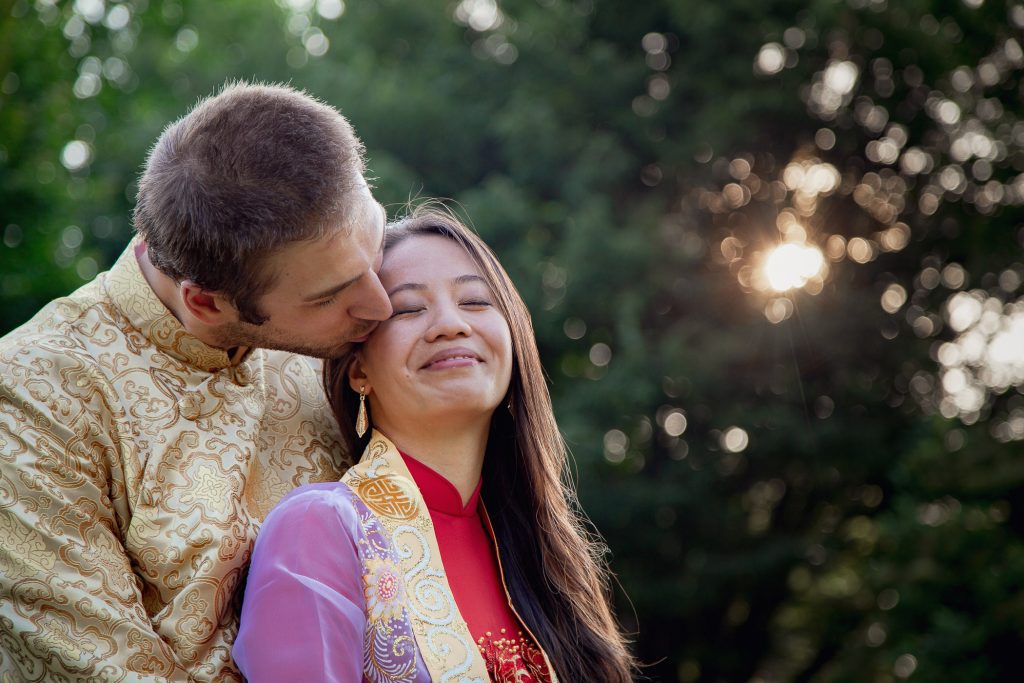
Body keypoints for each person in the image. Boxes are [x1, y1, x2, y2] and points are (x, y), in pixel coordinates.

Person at [0, 81, 393, 681]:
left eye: (379, 238)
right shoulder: (29, 397)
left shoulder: (368, 334)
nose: (383, 305)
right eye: (331, 296)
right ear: (205, 304)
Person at [233, 206, 635, 682]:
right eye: (407, 309)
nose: (450, 324)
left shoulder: (545, 555)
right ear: (359, 371)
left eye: (475, 302)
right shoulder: (320, 530)